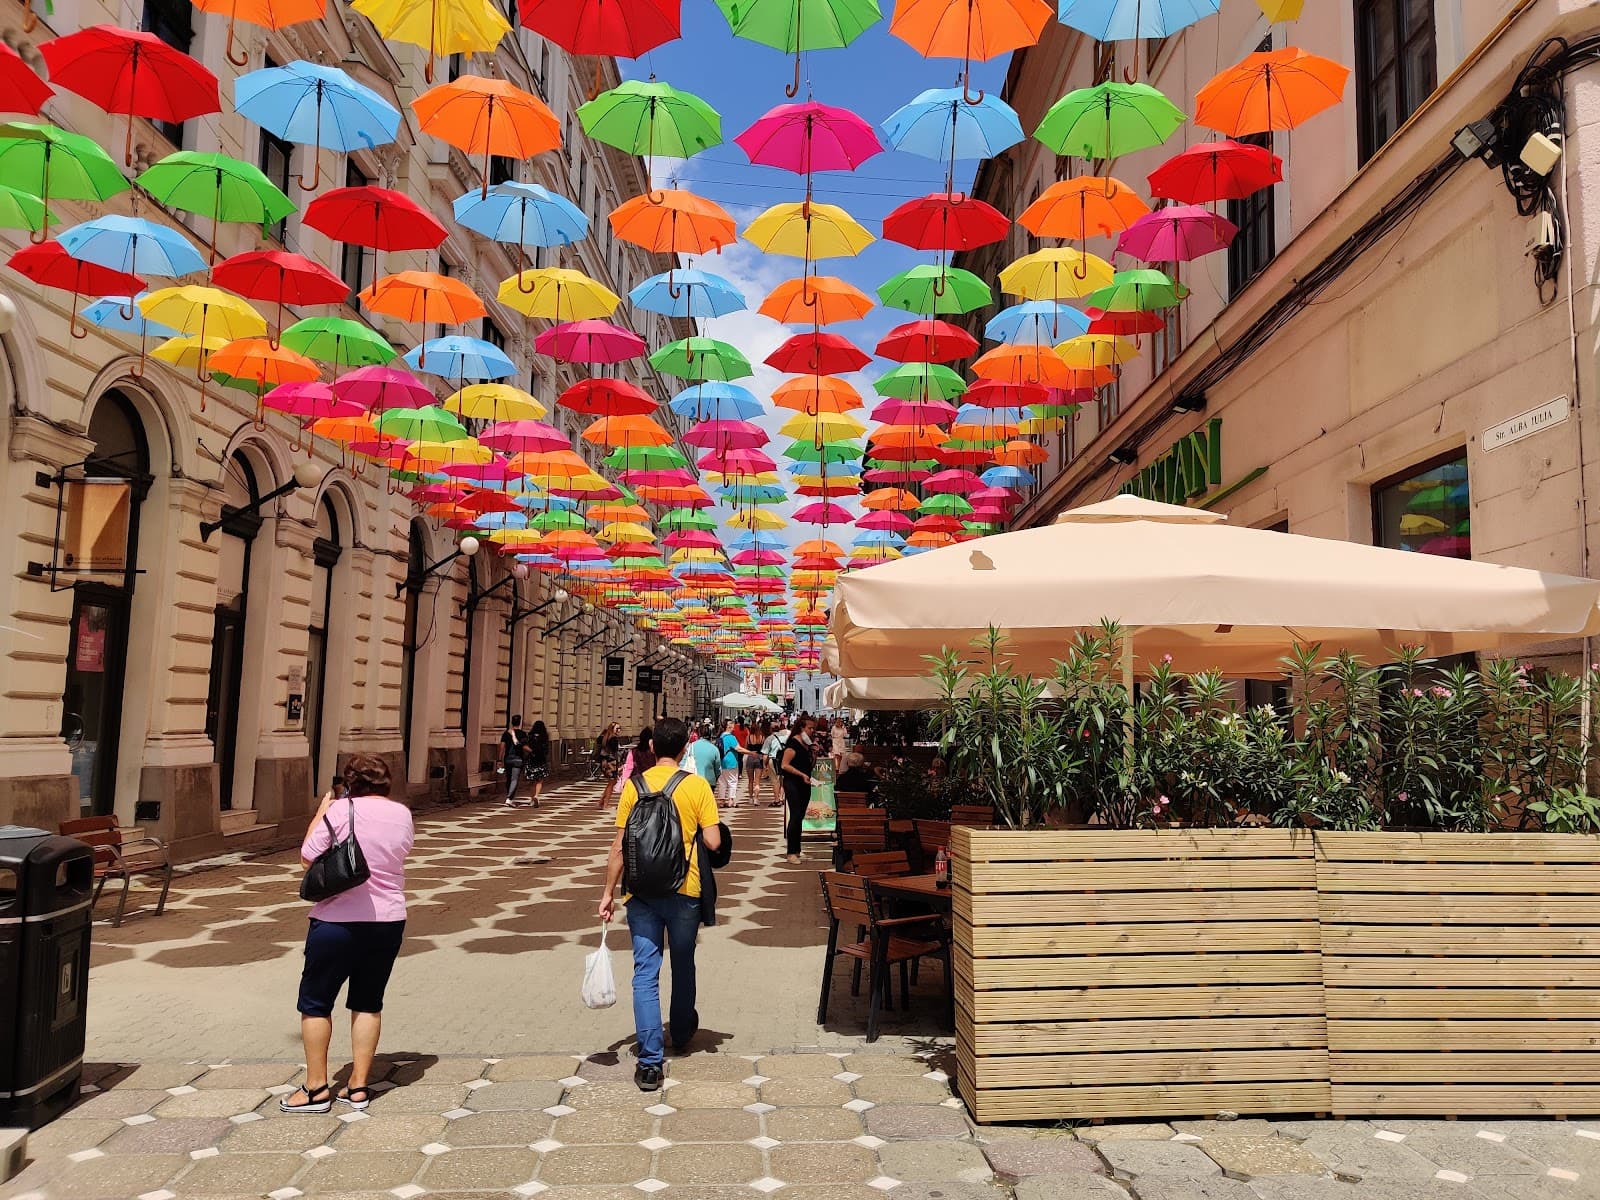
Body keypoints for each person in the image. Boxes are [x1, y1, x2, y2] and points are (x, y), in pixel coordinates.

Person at [282, 754, 414, 1114]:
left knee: (315, 1003)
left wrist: (323, 810)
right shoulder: (402, 814)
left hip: (337, 922)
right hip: (388, 920)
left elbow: (308, 857)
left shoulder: (341, 810)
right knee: (368, 1002)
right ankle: (358, 1086)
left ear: (350, 782)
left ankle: (315, 1089)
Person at [598, 718, 722, 1092]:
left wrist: (608, 893)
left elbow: (619, 846)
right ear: (686, 747)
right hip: (686, 890)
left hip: (641, 892)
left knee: (645, 971)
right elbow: (714, 843)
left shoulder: (634, 786)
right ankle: (681, 1032)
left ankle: (650, 1062)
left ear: (652, 748)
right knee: (683, 963)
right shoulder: (697, 786)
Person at [778, 715, 819, 866]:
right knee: (795, 816)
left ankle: (797, 850)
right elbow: (784, 765)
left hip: (804, 783)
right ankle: (791, 852)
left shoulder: (806, 745)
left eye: (813, 728)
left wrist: (814, 753)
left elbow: (809, 766)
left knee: (800, 816)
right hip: (793, 783)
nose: (812, 731)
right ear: (802, 728)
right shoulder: (793, 744)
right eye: (810, 728)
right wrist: (801, 774)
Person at [606, 727, 652, 808]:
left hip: (637, 781)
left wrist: (624, 782)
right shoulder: (654, 752)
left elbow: (628, 768)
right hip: (652, 781)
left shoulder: (634, 751)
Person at [717, 719, 757, 806]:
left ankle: (722, 801)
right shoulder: (731, 737)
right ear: (729, 726)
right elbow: (738, 748)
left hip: (721, 761)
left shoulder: (721, 736)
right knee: (733, 781)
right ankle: (731, 800)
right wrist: (750, 752)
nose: (734, 726)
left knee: (722, 781)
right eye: (732, 724)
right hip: (731, 761)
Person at [681, 723, 720, 789]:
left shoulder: (691, 747)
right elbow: (718, 769)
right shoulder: (714, 749)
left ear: (699, 734)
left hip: (693, 780)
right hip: (709, 781)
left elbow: (682, 763)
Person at [522, 719, 551, 807]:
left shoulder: (530, 736)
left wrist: (531, 751)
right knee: (539, 780)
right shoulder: (544, 737)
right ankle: (536, 795)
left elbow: (524, 746)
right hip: (541, 760)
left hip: (532, 760)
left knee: (532, 781)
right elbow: (546, 749)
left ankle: (531, 799)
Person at [502, 715, 528, 807]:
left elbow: (502, 747)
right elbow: (524, 747)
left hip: (508, 758)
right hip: (518, 759)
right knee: (514, 779)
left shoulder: (506, 733)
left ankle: (509, 797)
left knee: (509, 778)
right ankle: (509, 798)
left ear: (511, 722)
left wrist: (499, 759)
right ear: (520, 722)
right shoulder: (523, 734)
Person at [762, 722, 789, 807]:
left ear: (771, 729)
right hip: (785, 759)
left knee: (775, 781)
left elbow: (765, 754)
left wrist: (764, 765)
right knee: (783, 779)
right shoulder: (786, 736)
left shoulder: (769, 738)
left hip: (773, 759)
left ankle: (776, 800)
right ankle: (781, 797)